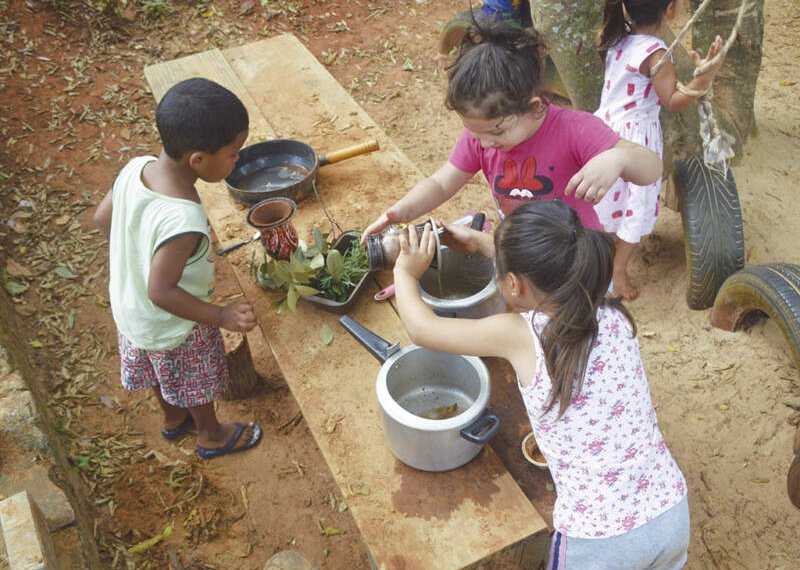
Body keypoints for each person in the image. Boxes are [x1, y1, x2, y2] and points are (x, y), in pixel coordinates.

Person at [392, 200, 689, 570]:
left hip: (600, 542)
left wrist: (405, 273)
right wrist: (486, 243)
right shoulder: (613, 314)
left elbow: (423, 329)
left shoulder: (523, 334)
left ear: (513, 284)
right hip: (670, 512)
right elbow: (548, 270)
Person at [363, 18, 662, 243]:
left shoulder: (575, 129)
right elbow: (441, 184)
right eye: (473, 131)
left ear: (534, 107)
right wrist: (400, 213)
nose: (485, 143)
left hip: (575, 255)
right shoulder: (482, 136)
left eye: (497, 131)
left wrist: (618, 159)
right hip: (519, 249)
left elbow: (651, 169)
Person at [93, 77, 263, 460]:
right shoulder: (183, 217)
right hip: (175, 323)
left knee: (155, 368)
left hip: (130, 310)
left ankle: (173, 419)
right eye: (234, 153)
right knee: (193, 379)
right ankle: (210, 434)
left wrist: (137, 255)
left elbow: (103, 219)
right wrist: (219, 314)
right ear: (198, 160)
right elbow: (162, 291)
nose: (237, 159)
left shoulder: (136, 168)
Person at [595, 0, 725, 300]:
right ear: (670, 9)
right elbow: (673, 101)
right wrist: (704, 76)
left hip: (604, 131)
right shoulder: (656, 53)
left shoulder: (615, 36)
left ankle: (603, 255)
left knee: (611, 196)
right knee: (635, 203)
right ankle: (617, 269)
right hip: (635, 140)